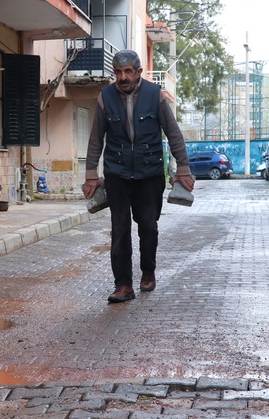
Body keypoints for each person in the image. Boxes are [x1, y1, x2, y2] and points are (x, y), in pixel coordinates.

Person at [82, 49, 194, 303]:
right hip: (117, 174)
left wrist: (183, 169)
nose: (123, 77)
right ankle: (123, 285)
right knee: (119, 229)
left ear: (139, 72)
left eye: (128, 71)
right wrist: (91, 175)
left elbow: (173, 133)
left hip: (149, 173)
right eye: (118, 72)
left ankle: (148, 272)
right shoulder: (105, 97)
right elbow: (95, 138)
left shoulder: (155, 95)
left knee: (148, 226)